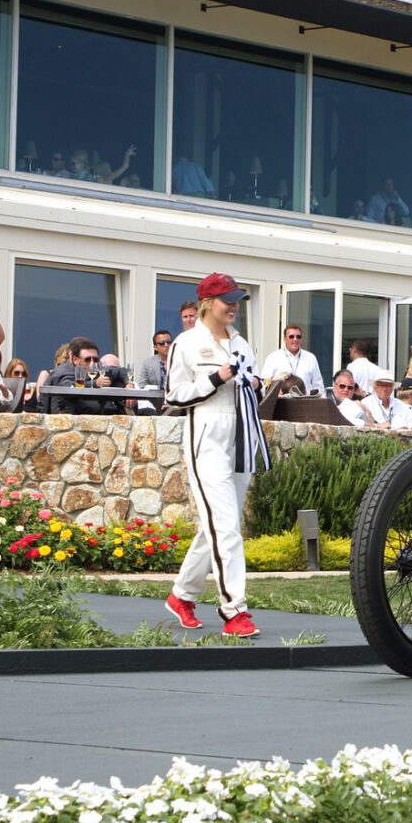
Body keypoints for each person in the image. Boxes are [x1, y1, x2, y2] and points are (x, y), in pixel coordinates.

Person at [164, 271, 266, 639]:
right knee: (225, 525)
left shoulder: (241, 342)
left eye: (237, 300)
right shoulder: (187, 343)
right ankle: (234, 609)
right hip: (207, 436)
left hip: (241, 435)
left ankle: (182, 595)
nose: (234, 307)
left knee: (222, 524)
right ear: (207, 303)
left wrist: (255, 382)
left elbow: (255, 382)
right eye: (228, 300)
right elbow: (173, 394)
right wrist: (214, 379)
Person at [45, 338, 123, 415]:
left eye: (95, 359)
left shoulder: (94, 369)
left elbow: (118, 371)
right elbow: (69, 386)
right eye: (87, 359)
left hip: (97, 416)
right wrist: (95, 383)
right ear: (75, 359)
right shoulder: (65, 371)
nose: (92, 363)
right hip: (70, 419)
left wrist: (128, 383)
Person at [261, 323, 325, 396]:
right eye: (291, 336)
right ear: (285, 339)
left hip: (305, 400)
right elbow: (264, 384)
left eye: (298, 337)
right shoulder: (273, 357)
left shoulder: (310, 358)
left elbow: (318, 385)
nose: (295, 339)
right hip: (281, 401)